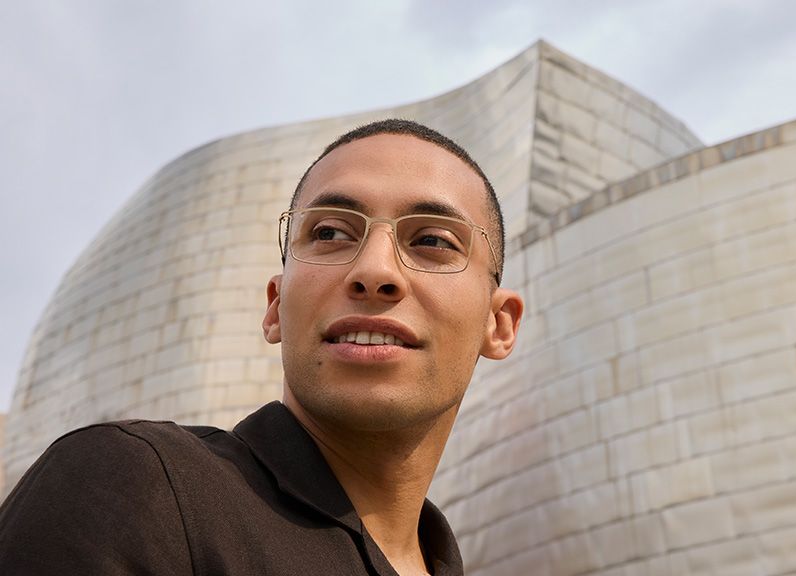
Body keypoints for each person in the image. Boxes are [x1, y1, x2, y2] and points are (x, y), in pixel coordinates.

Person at [0, 119, 524, 575]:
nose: (375, 271)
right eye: (330, 232)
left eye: (431, 240)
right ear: (275, 307)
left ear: (497, 325)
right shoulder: (134, 484)